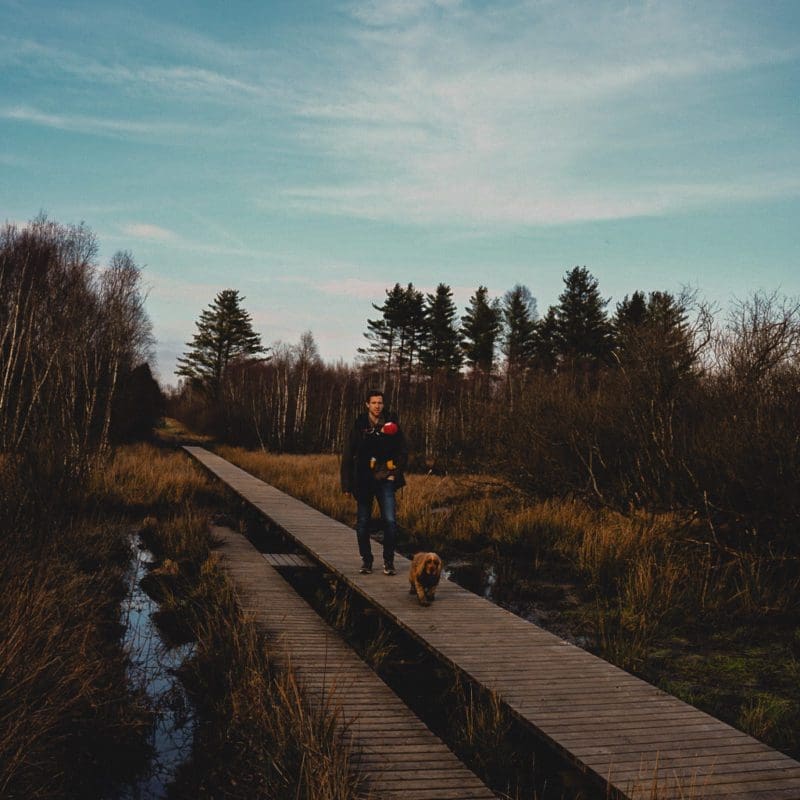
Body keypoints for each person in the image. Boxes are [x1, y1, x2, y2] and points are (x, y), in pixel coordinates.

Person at [341, 390, 408, 575]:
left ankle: (389, 561)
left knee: (390, 522)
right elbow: (348, 455)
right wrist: (346, 484)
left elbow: (403, 452)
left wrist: (395, 473)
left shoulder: (392, 425)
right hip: (363, 480)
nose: (377, 406)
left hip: (386, 480)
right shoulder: (359, 425)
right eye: (374, 403)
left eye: (380, 402)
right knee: (362, 523)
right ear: (367, 405)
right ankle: (367, 561)